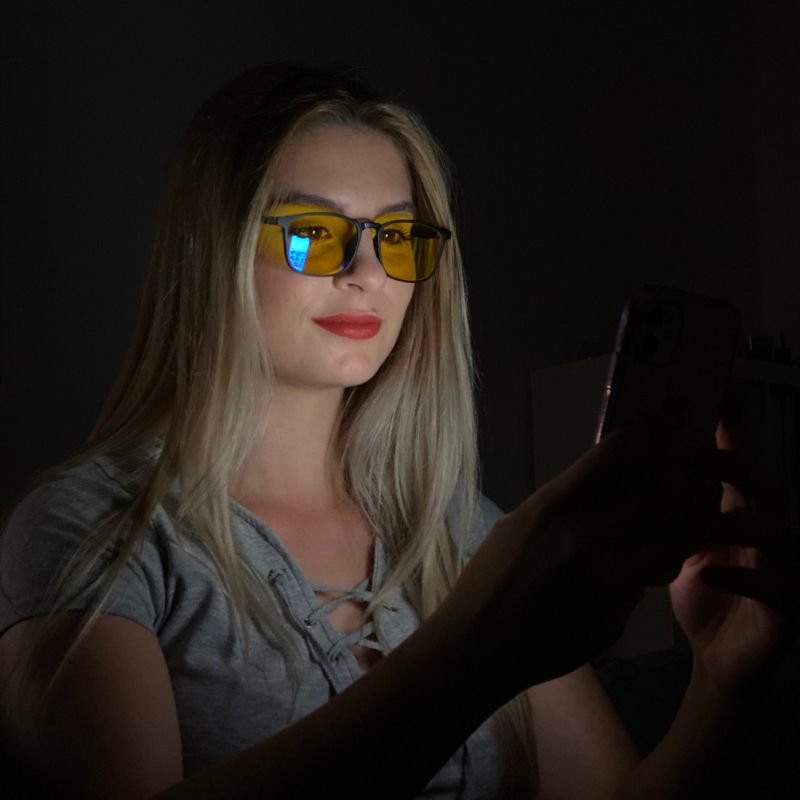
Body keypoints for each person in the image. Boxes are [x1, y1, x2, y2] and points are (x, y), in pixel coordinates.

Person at [0, 62, 790, 800]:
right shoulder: (97, 532)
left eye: (397, 236)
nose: (367, 272)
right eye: (314, 232)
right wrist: (480, 646)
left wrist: (724, 682)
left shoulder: (459, 534)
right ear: (213, 249)